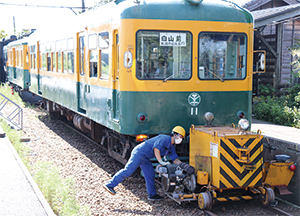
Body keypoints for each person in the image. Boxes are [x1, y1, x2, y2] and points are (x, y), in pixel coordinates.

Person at [103, 126, 186, 201]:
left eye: (182, 138)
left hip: (145, 158)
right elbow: (156, 149)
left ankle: (152, 195)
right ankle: (110, 185)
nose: (180, 139)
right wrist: (160, 161)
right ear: (175, 134)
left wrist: (184, 166)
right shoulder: (164, 138)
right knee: (128, 171)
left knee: (150, 174)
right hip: (139, 153)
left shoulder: (171, 147)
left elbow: (175, 159)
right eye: (180, 136)